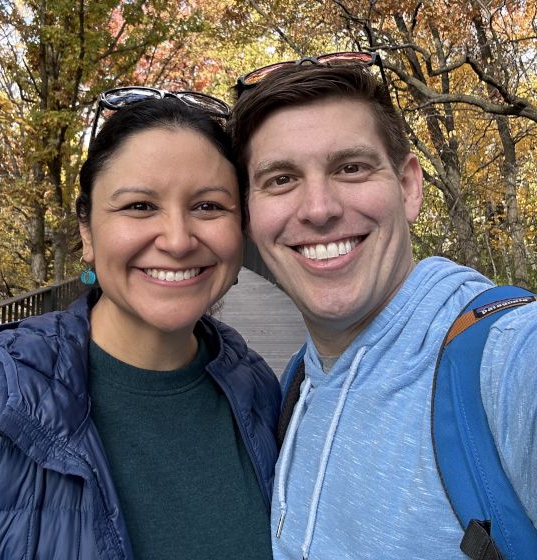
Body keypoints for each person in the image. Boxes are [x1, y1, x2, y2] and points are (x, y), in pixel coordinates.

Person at [228, 55, 537, 559]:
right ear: (249, 216)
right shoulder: (296, 385)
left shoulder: (505, 359)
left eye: (350, 168)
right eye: (281, 179)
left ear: (409, 186)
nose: (319, 209)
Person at [0, 87, 280, 559]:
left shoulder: (259, 389)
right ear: (87, 231)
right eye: (140, 206)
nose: (177, 240)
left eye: (208, 206)